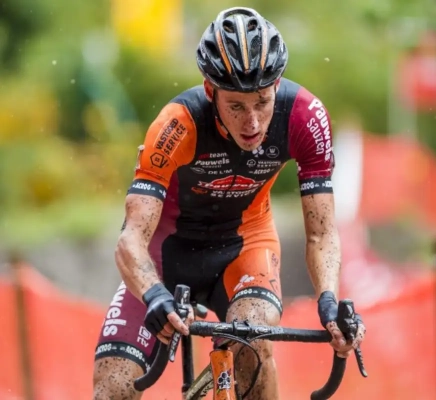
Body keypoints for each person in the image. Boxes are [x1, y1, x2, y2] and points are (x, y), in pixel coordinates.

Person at [92, 6, 366, 400]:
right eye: (236, 106)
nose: (252, 122)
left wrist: (328, 300)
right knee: (113, 388)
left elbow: (322, 233)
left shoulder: (304, 116)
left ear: (277, 86)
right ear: (210, 91)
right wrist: (152, 294)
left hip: (245, 250)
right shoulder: (177, 124)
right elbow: (130, 239)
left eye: (262, 102)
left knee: (252, 338)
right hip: (165, 256)